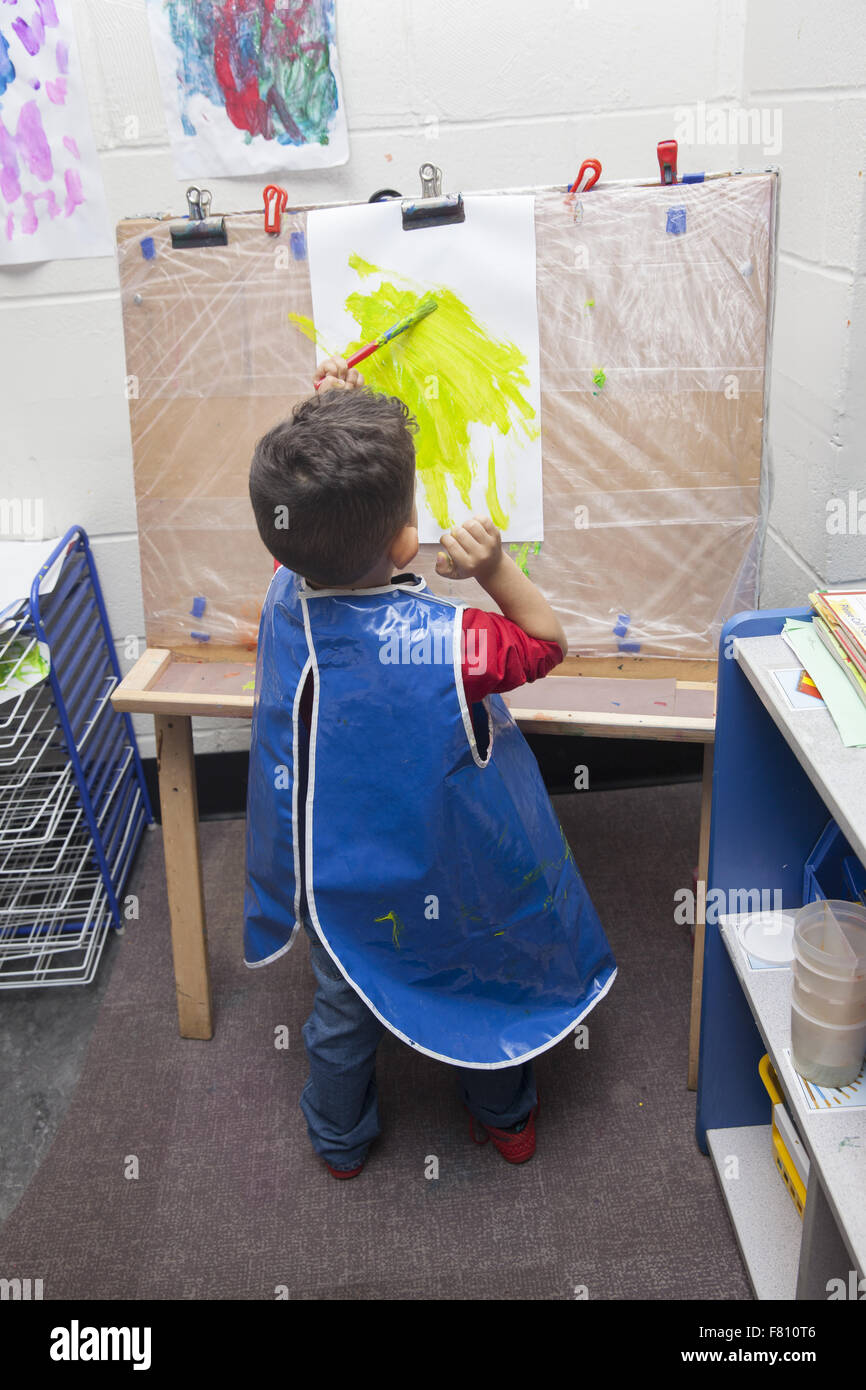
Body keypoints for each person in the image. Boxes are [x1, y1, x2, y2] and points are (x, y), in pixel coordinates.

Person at [244, 357, 616, 1177]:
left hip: (336, 883)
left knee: (339, 1015)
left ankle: (339, 1144)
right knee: (488, 982)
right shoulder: (453, 640)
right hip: (446, 877)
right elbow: (550, 642)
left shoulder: (281, 592)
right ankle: (506, 1116)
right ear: (409, 537)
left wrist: (326, 421)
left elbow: (309, 524)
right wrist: (495, 567)